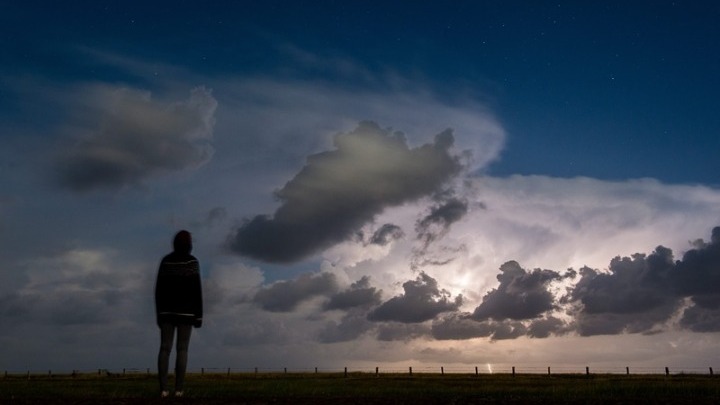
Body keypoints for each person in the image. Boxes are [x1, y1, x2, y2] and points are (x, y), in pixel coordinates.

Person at [155, 230, 203, 398]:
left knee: (165, 348)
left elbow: (158, 290)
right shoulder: (192, 262)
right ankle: (179, 390)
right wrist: (199, 315)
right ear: (189, 244)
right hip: (187, 313)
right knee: (182, 349)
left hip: (167, 311)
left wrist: (159, 313)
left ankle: (163, 389)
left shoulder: (166, 261)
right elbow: (197, 290)